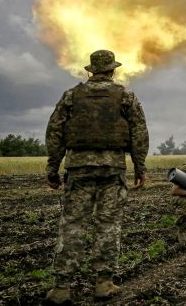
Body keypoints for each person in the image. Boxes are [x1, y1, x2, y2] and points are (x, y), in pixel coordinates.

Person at [44, 50, 149, 304]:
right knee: (107, 225)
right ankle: (103, 283)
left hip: (79, 169)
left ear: (90, 71)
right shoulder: (126, 96)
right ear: (113, 70)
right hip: (112, 170)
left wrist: (53, 167)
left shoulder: (71, 95)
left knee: (73, 225)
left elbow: (55, 132)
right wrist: (140, 167)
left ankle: (61, 288)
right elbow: (139, 133)